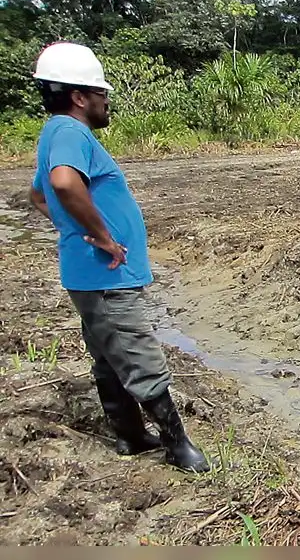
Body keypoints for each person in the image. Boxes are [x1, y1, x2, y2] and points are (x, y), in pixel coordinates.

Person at [27, 42, 210, 472]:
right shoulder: (70, 132)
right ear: (78, 96)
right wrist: (101, 236)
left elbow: (39, 195)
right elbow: (63, 184)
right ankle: (179, 447)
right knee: (139, 355)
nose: (106, 101)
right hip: (106, 275)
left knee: (109, 356)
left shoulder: (55, 133)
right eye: (101, 93)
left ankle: (130, 435)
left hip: (90, 274)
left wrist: (76, 229)